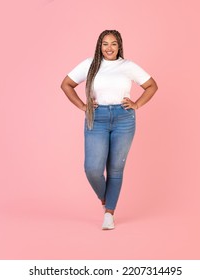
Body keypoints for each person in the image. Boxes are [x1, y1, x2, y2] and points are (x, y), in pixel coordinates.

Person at [60, 30, 158, 230]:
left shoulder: (128, 66)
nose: (109, 48)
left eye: (113, 44)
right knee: (93, 169)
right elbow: (66, 84)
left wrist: (137, 104)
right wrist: (82, 105)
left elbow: (152, 86)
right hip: (97, 118)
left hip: (124, 119)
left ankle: (109, 214)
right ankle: (105, 197)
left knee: (115, 169)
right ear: (99, 45)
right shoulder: (90, 64)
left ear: (119, 45)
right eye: (105, 44)